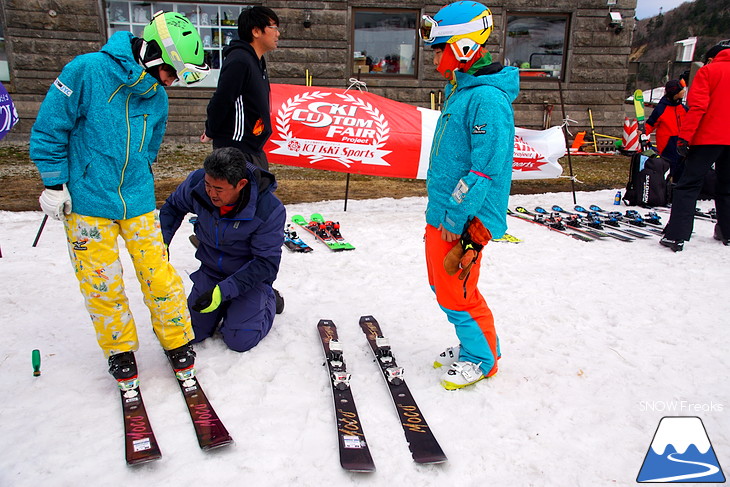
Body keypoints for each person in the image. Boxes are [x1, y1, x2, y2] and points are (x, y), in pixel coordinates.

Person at [29, 11, 210, 389]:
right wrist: (53, 182)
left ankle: (176, 342)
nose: (172, 83)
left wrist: (140, 170)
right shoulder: (87, 71)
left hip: (138, 200)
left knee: (159, 276)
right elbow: (49, 128)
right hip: (87, 203)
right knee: (102, 283)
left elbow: (152, 143)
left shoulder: (157, 95)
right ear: (156, 55)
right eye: (173, 73)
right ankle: (120, 350)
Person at [419, 1, 519, 389]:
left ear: (462, 47)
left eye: (437, 49)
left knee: (457, 294)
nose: (433, 58)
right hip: (444, 212)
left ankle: (484, 359)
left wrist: (457, 220)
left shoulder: (487, 100)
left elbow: (484, 171)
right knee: (441, 286)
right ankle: (477, 344)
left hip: (464, 219)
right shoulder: (461, 89)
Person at [159, 147, 286, 352]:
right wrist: (162, 243)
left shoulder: (269, 209)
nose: (210, 193)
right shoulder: (197, 183)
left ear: (241, 184)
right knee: (189, 333)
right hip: (210, 272)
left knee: (239, 341)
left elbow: (266, 264)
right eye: (208, 185)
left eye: (218, 189)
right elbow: (173, 207)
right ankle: (226, 305)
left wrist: (223, 291)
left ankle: (270, 299)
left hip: (248, 278)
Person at [660, 40, 730, 252]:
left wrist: (684, 138)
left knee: (689, 185)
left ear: (711, 57)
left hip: (709, 137)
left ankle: (676, 236)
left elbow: (698, 107)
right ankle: (727, 232)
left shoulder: (709, 71)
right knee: (727, 186)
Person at [200, 6, 280, 171]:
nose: (278, 33)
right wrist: (211, 130)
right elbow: (222, 99)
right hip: (236, 150)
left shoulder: (257, 61)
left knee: (261, 194)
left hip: (254, 148)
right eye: (273, 27)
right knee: (242, 196)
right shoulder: (239, 60)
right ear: (256, 31)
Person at [645, 79, 688, 180]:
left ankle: (677, 192)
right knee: (666, 173)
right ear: (675, 92)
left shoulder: (683, 108)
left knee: (681, 172)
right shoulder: (661, 109)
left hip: (682, 144)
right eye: (681, 90)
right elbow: (650, 124)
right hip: (666, 147)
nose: (684, 91)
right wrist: (642, 135)